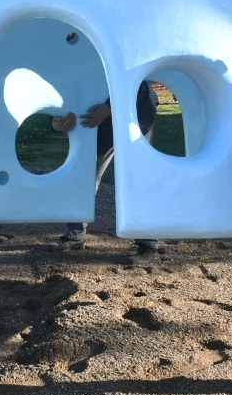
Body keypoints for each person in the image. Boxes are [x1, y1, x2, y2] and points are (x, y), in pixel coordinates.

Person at [47, 81, 162, 266]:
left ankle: (149, 245)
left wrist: (110, 107)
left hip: (134, 112)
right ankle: (75, 235)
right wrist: (55, 122)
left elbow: (132, 78)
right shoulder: (71, 58)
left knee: (138, 176)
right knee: (83, 175)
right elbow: (59, 93)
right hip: (95, 123)